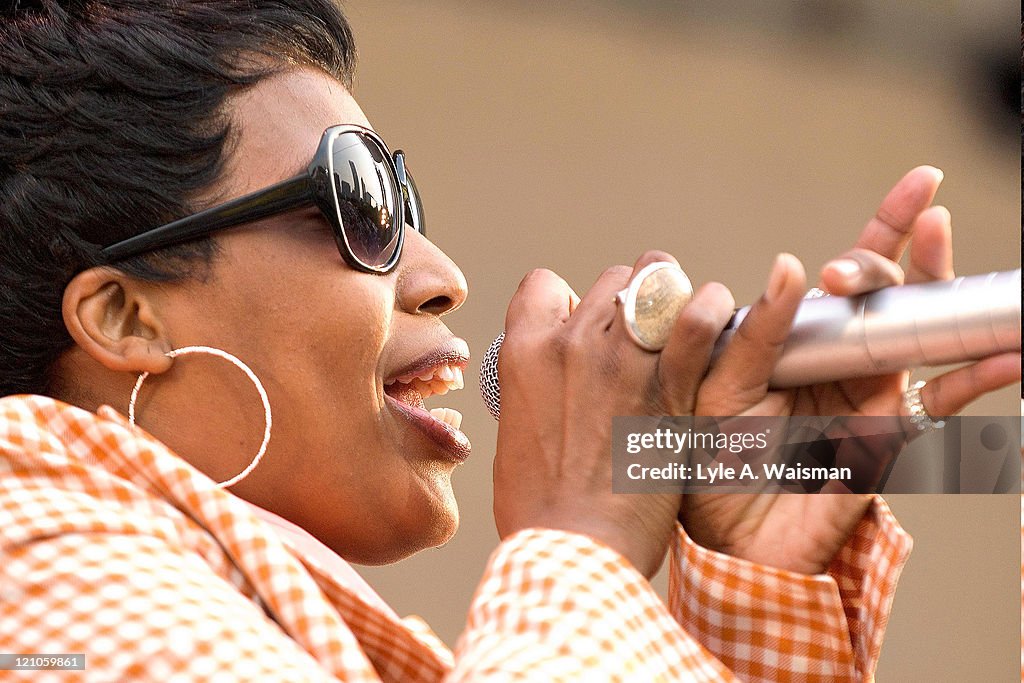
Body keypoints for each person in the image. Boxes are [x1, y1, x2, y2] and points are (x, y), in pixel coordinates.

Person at [0, 1, 1017, 681]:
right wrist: (577, 537)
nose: (441, 277)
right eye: (358, 201)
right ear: (126, 317)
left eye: (409, 199)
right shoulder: (31, 556)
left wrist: (754, 586)